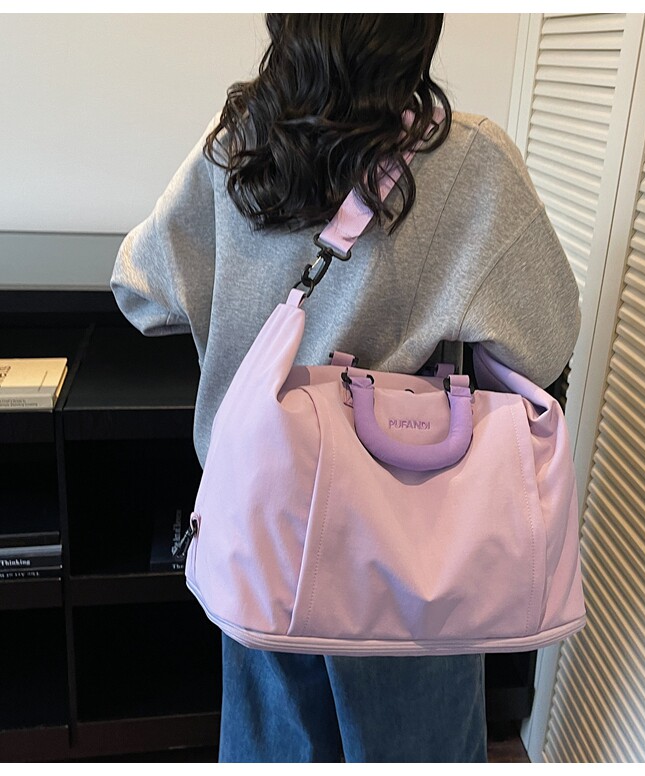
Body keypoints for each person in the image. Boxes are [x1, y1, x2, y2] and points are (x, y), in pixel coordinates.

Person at [110, 13, 580, 763]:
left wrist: (246, 302)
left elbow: (141, 294)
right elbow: (546, 340)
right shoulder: (469, 160)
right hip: (415, 529)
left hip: (264, 522)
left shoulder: (235, 148)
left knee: (274, 746)